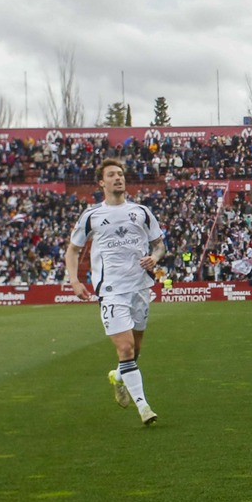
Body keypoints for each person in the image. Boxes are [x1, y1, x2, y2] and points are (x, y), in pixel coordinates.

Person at [64, 158, 165, 427]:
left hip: (140, 287)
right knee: (125, 347)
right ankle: (144, 408)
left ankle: (118, 377)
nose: (118, 178)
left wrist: (155, 258)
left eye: (120, 174)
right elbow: (72, 250)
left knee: (136, 349)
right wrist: (74, 281)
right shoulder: (91, 215)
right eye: (112, 175)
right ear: (102, 182)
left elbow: (159, 245)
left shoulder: (142, 211)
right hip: (111, 291)